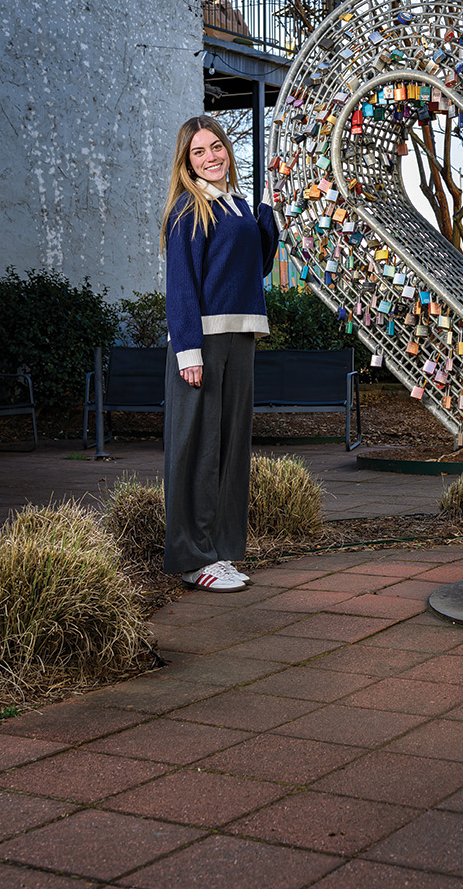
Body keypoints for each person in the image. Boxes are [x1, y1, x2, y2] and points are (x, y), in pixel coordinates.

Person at [161, 115, 279, 591]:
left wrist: (268, 212)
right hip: (202, 343)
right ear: (186, 162)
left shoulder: (238, 206)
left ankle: (223, 552)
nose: (211, 157)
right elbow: (181, 287)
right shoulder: (189, 210)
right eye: (198, 152)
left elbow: (259, 266)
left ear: (228, 150)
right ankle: (194, 559)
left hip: (241, 337)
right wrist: (188, 351)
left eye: (216, 147)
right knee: (197, 450)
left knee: (231, 449)